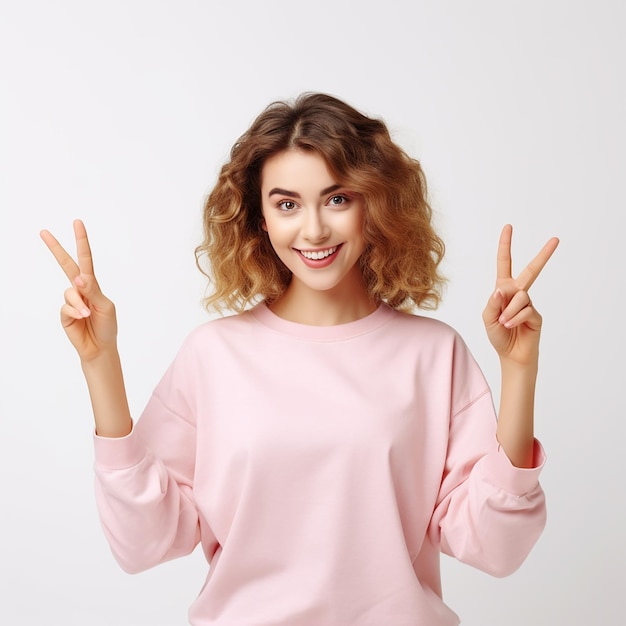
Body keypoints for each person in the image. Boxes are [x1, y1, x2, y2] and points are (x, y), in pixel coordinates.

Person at [41, 93, 559, 625]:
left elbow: (496, 547)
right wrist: (101, 365)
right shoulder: (214, 355)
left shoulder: (433, 353)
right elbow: (143, 543)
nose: (313, 230)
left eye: (337, 199)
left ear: (374, 203)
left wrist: (520, 370)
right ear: (260, 218)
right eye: (287, 204)